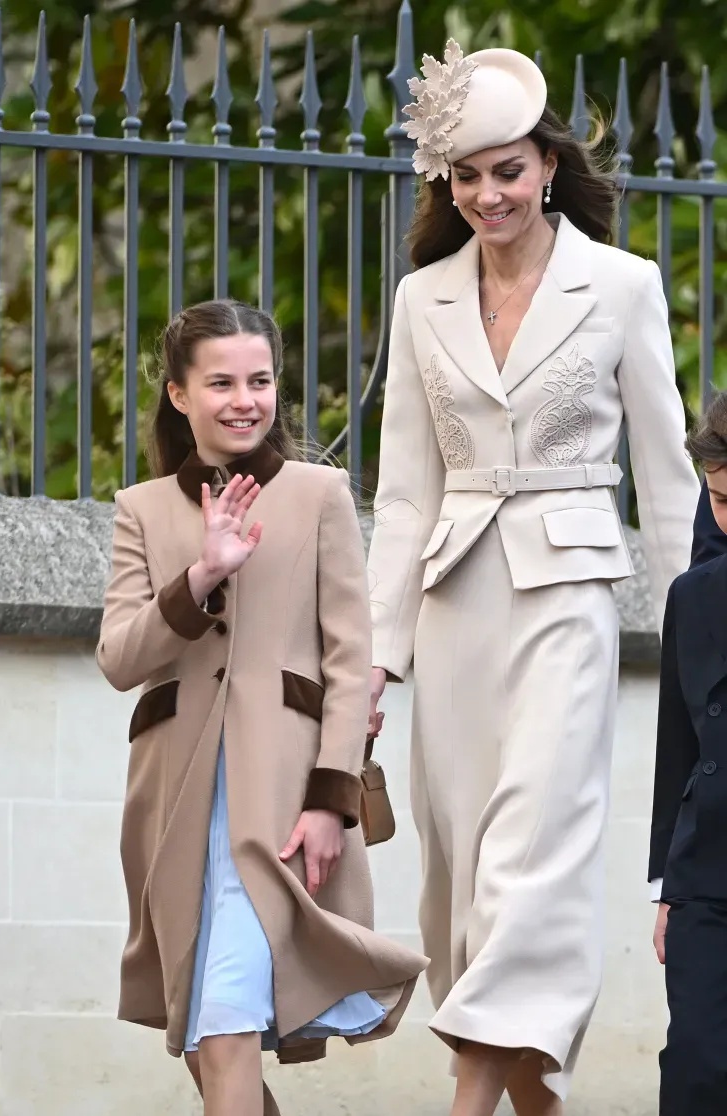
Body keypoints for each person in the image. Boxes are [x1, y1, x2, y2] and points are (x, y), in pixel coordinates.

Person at [366, 42, 700, 1116]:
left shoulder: (623, 285)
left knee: (534, 854)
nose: (487, 195)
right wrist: (375, 659)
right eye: (465, 176)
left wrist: (704, 640)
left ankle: (468, 1103)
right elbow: (404, 495)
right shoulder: (421, 298)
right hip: (453, 602)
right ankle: (536, 1102)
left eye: (506, 170)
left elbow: (669, 477)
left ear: (548, 164)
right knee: (462, 873)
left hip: (569, 595)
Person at [97, 299, 427, 1116]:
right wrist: (202, 575)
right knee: (203, 1035)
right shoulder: (142, 508)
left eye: (261, 380)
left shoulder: (319, 495)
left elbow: (349, 661)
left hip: (280, 804)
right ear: (179, 394)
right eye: (221, 383)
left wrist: (330, 801)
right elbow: (120, 659)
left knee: (227, 1023)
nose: (245, 400)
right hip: (174, 805)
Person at [649, 393, 727, 1115]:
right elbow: (677, 746)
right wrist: (666, 889)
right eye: (723, 501)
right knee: (697, 1064)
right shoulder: (694, 596)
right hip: (707, 872)